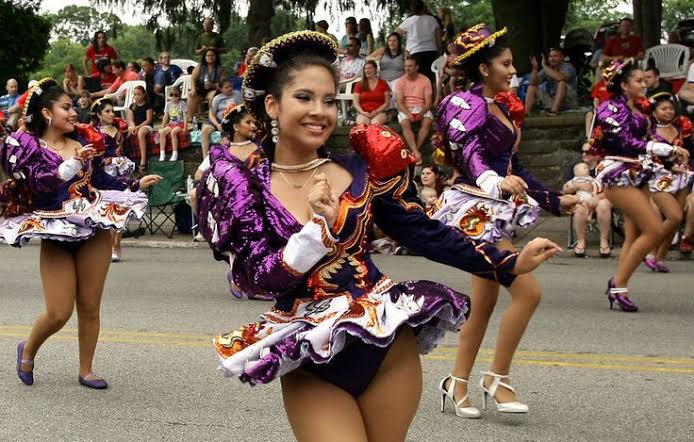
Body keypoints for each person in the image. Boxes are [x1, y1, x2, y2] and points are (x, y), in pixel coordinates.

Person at [195, 30, 560, 441]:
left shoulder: (359, 171)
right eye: (304, 98)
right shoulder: (245, 184)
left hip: (388, 346)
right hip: (314, 360)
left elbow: (425, 234)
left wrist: (507, 264)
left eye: (330, 101)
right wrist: (317, 232)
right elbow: (254, 279)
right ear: (272, 105)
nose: (320, 111)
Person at [431, 24, 579, 418]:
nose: (513, 70)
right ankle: (497, 378)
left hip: (495, 207)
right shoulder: (462, 103)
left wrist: (555, 199)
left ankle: (457, 382)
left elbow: (516, 168)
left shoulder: (503, 107)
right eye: (506, 63)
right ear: (484, 69)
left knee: (483, 305)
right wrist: (493, 181)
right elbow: (469, 153)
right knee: (528, 293)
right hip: (476, 208)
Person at [0, 78, 159, 389]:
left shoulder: (82, 142)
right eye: (66, 107)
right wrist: (70, 165)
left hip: (92, 225)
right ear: (47, 113)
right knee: (59, 312)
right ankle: (28, 348)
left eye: (73, 107)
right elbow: (39, 183)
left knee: (89, 305)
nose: (73, 113)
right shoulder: (33, 148)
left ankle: (86, 370)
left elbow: (99, 179)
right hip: (57, 231)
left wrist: (134, 185)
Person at [593, 58, 688, 311]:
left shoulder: (639, 108)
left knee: (634, 234)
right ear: (624, 85)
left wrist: (671, 156)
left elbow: (647, 140)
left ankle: (621, 284)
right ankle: (618, 283)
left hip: (639, 172)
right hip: (618, 173)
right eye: (638, 80)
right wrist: (663, 148)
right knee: (655, 228)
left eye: (643, 79)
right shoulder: (609, 109)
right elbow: (624, 142)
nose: (644, 83)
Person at [642, 93, 693, 272]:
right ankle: (648, 250)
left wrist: (685, 163)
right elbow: (645, 158)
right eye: (663, 108)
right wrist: (670, 167)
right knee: (675, 216)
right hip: (660, 178)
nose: (668, 112)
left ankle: (660, 257)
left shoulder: (682, 126)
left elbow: (690, 150)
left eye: (671, 108)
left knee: (675, 220)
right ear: (654, 112)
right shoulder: (649, 131)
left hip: (683, 177)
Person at [91, 98, 137, 262]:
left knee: (122, 206)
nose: (111, 114)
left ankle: (117, 244)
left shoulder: (120, 130)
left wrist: (126, 162)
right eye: (107, 111)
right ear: (99, 114)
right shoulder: (93, 132)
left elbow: (128, 150)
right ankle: (108, 245)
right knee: (107, 208)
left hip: (121, 171)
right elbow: (93, 158)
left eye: (113, 111)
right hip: (104, 174)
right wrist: (107, 161)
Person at [562, 162, 611, 257]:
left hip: (598, 198)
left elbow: (605, 188)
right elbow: (565, 188)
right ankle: (580, 240)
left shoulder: (604, 165)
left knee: (603, 205)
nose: (586, 169)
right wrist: (576, 186)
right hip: (580, 198)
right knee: (580, 207)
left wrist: (595, 194)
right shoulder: (575, 176)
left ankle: (604, 240)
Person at [395, 56, 433, 163]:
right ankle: (416, 152)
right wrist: (408, 113)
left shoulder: (425, 80)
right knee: (405, 124)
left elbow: (428, 102)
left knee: (427, 122)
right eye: (406, 66)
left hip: (421, 107)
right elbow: (399, 102)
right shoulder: (400, 81)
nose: (407, 68)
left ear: (417, 67)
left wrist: (421, 113)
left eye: (410, 66)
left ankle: (414, 150)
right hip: (406, 108)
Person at [396, 0, 442, 87]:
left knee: (418, 77)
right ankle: (431, 97)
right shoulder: (432, 20)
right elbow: (438, 38)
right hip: (431, 50)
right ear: (424, 7)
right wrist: (439, 51)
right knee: (431, 77)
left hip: (415, 51)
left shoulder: (409, 21)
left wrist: (403, 49)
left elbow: (395, 34)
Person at [525, 47, 578, 116]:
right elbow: (533, 83)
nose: (552, 59)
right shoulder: (547, 68)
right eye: (550, 56)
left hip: (568, 103)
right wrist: (535, 69)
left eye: (555, 56)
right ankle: (525, 113)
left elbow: (560, 78)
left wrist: (544, 65)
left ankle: (553, 112)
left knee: (561, 83)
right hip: (551, 100)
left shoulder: (568, 66)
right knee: (531, 87)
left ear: (562, 57)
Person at [200, 79, 240, 157]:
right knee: (205, 131)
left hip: (231, 121)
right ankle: (205, 158)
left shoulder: (237, 95)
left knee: (227, 138)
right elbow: (211, 114)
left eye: (230, 86)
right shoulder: (217, 98)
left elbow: (243, 108)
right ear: (221, 89)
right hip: (218, 120)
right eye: (226, 87)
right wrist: (217, 124)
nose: (229, 88)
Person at [189, 48, 228, 116]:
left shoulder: (221, 69)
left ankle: (211, 117)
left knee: (213, 96)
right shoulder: (200, 66)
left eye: (212, 55)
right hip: (200, 89)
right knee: (191, 95)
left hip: (214, 90)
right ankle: (190, 119)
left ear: (216, 57)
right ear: (205, 57)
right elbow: (193, 78)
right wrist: (193, 89)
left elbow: (223, 83)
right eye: (208, 55)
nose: (210, 57)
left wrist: (213, 85)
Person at [126, 86, 154, 174]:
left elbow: (148, 120)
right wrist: (133, 127)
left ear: (143, 95)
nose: (137, 96)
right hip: (135, 126)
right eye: (135, 94)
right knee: (127, 133)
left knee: (141, 133)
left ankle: (143, 160)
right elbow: (130, 120)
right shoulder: (132, 106)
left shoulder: (147, 105)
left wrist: (138, 127)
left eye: (139, 94)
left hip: (146, 126)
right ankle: (127, 156)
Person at [158, 87, 188, 161]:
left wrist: (185, 126)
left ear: (180, 96)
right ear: (169, 96)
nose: (173, 97)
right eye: (171, 95)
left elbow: (185, 115)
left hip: (180, 123)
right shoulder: (168, 104)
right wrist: (162, 126)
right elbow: (166, 116)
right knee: (162, 133)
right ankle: (162, 153)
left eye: (176, 95)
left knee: (173, 132)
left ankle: (175, 153)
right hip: (171, 123)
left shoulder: (182, 103)